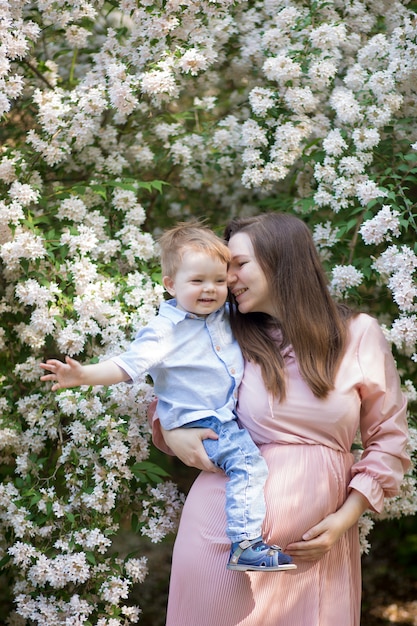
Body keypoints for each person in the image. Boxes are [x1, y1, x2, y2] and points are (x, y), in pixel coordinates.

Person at [151, 212, 411, 626]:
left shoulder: (358, 334)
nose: (227, 277)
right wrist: (173, 429)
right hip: (221, 541)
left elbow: (390, 441)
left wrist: (345, 519)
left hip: (313, 550)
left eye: (238, 264)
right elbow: (174, 393)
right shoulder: (223, 334)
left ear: (281, 261)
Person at [40, 220, 295, 573]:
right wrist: (83, 375)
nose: (211, 289)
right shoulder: (165, 332)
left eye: (219, 281)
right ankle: (245, 544)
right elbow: (126, 366)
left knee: (247, 466)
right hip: (201, 423)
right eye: (197, 281)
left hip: (221, 418)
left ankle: (246, 542)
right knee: (249, 466)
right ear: (170, 284)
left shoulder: (224, 314)